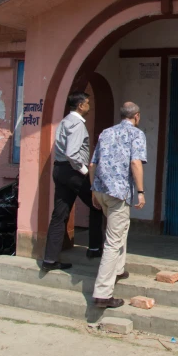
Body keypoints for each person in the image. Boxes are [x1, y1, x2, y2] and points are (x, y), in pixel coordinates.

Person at [90, 101, 147, 309]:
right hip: (118, 193)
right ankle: (103, 293)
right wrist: (140, 192)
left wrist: (93, 192)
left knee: (121, 228)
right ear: (137, 116)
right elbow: (135, 163)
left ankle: (119, 269)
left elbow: (92, 163)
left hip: (101, 189)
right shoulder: (136, 134)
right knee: (113, 241)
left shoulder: (106, 132)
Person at [42, 92, 103, 272]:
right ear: (80, 106)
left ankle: (50, 259)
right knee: (96, 204)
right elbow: (72, 153)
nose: (89, 106)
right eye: (87, 103)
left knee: (59, 215)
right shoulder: (77, 125)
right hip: (74, 171)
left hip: (60, 170)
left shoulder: (65, 122)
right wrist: (85, 172)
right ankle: (94, 248)